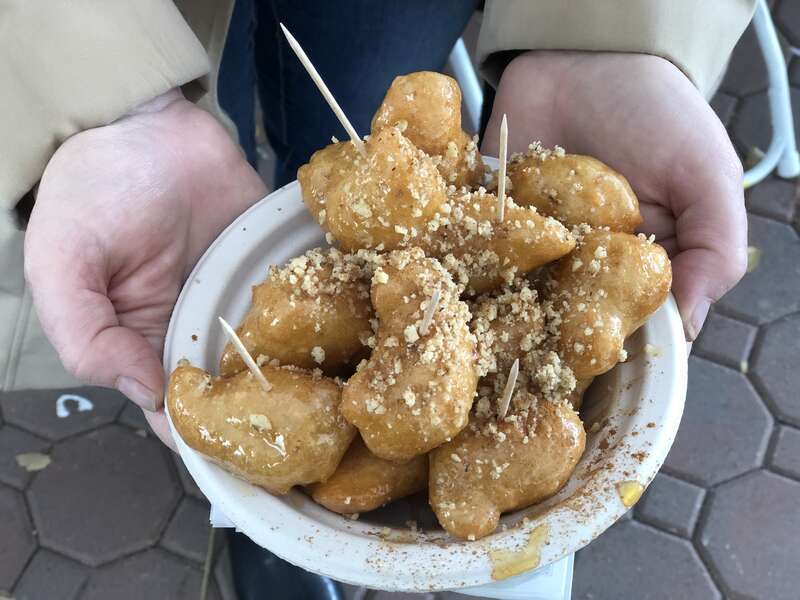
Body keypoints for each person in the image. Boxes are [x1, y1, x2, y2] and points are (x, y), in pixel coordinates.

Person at [2, 1, 753, 598]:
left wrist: (610, 29)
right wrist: (97, 102)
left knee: (362, 72)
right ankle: (262, 539)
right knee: (282, 99)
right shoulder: (396, 280)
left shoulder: (477, 265)